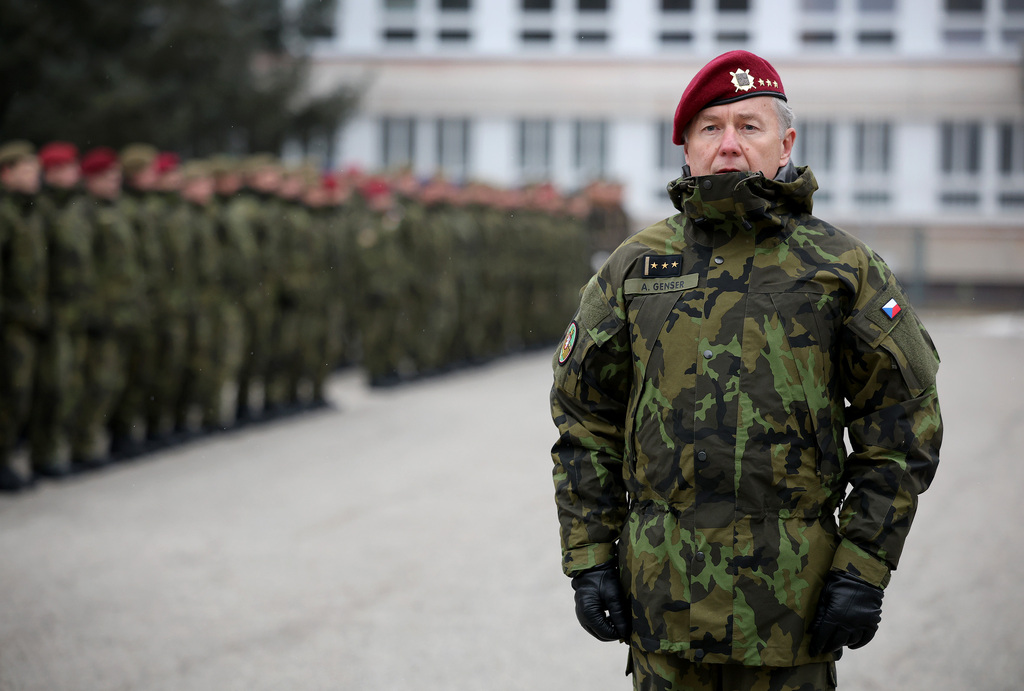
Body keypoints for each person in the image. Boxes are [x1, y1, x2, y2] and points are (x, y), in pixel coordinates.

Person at [550, 50, 943, 691]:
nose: (728, 144)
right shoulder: (634, 268)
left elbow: (902, 428)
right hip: (664, 614)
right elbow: (584, 421)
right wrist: (590, 558)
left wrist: (863, 566)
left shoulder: (844, 269)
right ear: (686, 148)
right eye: (710, 128)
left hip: (791, 615)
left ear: (785, 143)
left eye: (748, 126)